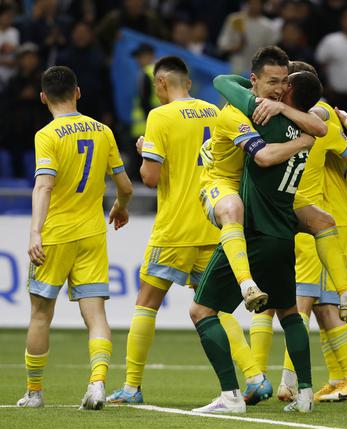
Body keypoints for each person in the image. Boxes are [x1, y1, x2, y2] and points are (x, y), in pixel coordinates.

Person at [105, 56, 272, 406]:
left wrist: (144, 153)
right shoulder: (215, 111)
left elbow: (150, 177)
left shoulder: (159, 116)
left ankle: (132, 387)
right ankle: (255, 377)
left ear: (161, 84)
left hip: (175, 228)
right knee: (215, 308)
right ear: (190, 83)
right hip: (214, 223)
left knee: (146, 303)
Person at [189, 69, 323, 414]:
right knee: (290, 313)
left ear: (288, 90)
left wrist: (258, 96)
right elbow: (320, 124)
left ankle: (231, 395)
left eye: (283, 83)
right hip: (283, 233)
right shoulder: (306, 126)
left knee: (201, 310)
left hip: (253, 233)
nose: (278, 89)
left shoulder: (259, 118)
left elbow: (221, 82)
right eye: (273, 81)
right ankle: (305, 393)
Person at [17, 66, 133, 410]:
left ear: (43, 98)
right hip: (92, 233)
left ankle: (35, 393)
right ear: (77, 92)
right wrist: (121, 207)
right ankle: (97, 384)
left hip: (55, 235)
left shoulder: (47, 135)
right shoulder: (103, 131)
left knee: (40, 315)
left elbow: (44, 185)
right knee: (96, 315)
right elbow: (125, 186)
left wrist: (35, 230)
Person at [275, 60, 347, 403]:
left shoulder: (320, 117)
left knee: (302, 302)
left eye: (283, 81)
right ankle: (345, 377)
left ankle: (290, 381)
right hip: (311, 219)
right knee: (320, 306)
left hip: (324, 221)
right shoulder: (295, 121)